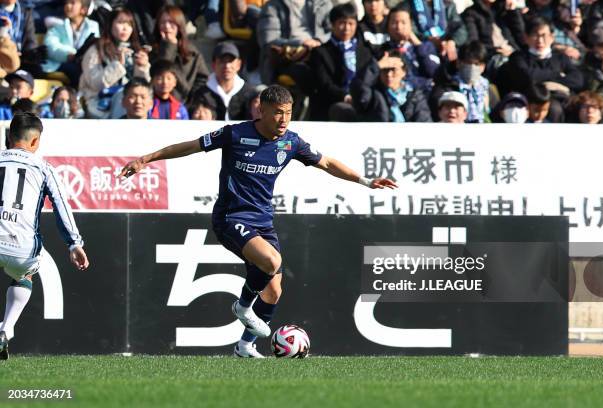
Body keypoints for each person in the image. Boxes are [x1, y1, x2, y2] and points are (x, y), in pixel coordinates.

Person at [119, 85, 397, 358]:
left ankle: (245, 346)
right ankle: (242, 307)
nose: (284, 119)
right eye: (277, 113)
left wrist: (365, 181)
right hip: (230, 217)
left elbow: (326, 163)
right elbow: (190, 147)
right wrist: (146, 159)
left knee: (274, 291)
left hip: (263, 221)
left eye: (288, 112)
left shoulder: (291, 142)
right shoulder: (236, 134)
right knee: (272, 262)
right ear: (261, 111)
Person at [0, 112, 89, 360]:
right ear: (35, 142)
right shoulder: (43, 168)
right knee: (25, 274)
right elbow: (62, 204)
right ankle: (6, 328)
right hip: (21, 248)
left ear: (8, 137)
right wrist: (74, 243)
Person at [79, 7, 150, 119]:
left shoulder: (136, 50)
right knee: (124, 96)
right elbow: (95, 83)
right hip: (99, 102)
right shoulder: (96, 49)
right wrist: (118, 65)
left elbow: (142, 87)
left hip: (129, 102)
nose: (125, 28)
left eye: (129, 25)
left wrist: (142, 67)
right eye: (121, 23)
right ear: (110, 24)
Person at [309, 3, 373, 120]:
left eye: (351, 23)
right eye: (342, 23)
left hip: (363, 99)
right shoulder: (320, 52)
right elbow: (324, 84)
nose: (347, 28)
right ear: (333, 25)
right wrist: (344, 96)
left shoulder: (365, 51)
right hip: (334, 102)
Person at [257, 0, 332, 85]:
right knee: (305, 72)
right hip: (288, 58)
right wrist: (301, 43)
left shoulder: (322, 3)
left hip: (319, 51)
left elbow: (333, 31)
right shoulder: (272, 6)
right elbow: (268, 40)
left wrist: (319, 40)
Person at [150, 5, 209, 103]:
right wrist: (168, 47)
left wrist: (191, 100)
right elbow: (160, 74)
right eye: (163, 22)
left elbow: (202, 79)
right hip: (157, 104)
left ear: (179, 25)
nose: (167, 26)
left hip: (184, 106)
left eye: (171, 22)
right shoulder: (152, 51)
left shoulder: (192, 52)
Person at [351, 49, 431, 121]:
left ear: (403, 72)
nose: (389, 74)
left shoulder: (415, 96)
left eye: (393, 70)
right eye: (385, 70)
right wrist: (376, 66)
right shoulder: (373, 94)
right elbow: (359, 88)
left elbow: (424, 121)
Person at [42, 0, 100, 86]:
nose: (68, 6)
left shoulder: (93, 26)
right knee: (75, 70)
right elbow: (49, 46)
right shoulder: (57, 25)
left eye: (72, 3)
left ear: (83, 9)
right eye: (66, 3)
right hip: (60, 63)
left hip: (84, 63)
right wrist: (68, 55)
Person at [189, 41, 252, 121]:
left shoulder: (249, 93)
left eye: (231, 61)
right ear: (213, 65)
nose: (227, 66)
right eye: (222, 61)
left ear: (239, 64)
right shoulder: (200, 93)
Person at [380, 5, 439, 88]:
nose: (399, 27)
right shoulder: (384, 50)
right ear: (388, 26)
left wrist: (418, 44)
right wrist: (426, 83)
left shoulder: (426, 45)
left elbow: (434, 72)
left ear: (411, 25)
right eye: (394, 23)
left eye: (403, 23)